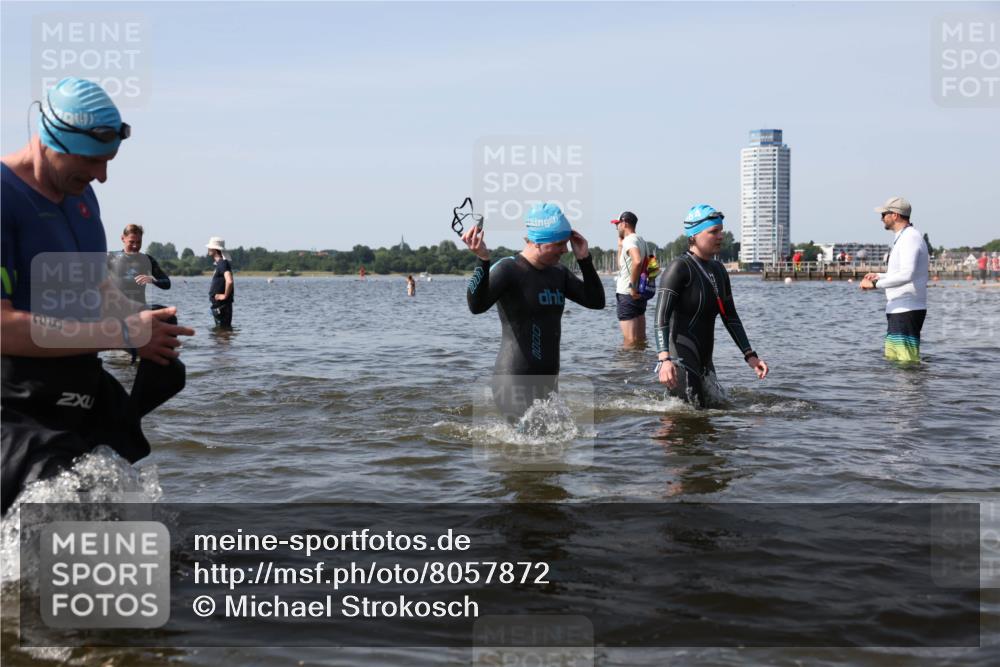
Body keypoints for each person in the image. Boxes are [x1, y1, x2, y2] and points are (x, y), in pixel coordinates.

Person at [1, 77, 194, 514]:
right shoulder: (3, 197)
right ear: (52, 139)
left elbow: (97, 285)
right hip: (14, 406)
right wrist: (123, 332)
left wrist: (148, 330)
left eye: (109, 162)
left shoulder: (81, 197)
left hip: (77, 391)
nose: (102, 177)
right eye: (93, 161)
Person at [462, 203, 604, 421]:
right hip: (514, 379)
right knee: (531, 445)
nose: (565, 250)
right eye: (559, 244)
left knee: (554, 450)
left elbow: (596, 301)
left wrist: (585, 259)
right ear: (538, 241)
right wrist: (482, 261)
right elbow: (476, 306)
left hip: (548, 381)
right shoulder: (509, 269)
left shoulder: (559, 273)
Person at [653, 204, 769, 407]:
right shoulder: (678, 268)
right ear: (694, 235)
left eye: (721, 230)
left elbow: (730, 316)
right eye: (713, 231)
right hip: (680, 357)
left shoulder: (718, 270)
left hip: (706, 359)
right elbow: (661, 317)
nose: (720, 236)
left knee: (713, 413)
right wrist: (664, 360)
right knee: (687, 415)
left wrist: (750, 355)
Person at [861, 196, 929, 362]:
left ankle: (911, 389)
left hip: (906, 309)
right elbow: (901, 271)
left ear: (895, 215)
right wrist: (880, 275)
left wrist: (876, 284)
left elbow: (907, 274)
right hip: (898, 308)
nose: (881, 218)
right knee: (894, 361)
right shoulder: (903, 237)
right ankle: (900, 389)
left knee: (907, 364)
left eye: (884, 214)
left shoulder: (910, 237)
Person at [107, 223, 171, 308]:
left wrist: (153, 280)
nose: (135, 246)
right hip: (117, 308)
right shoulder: (111, 258)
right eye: (131, 242)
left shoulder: (147, 260)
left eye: (138, 242)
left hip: (139, 308)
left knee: (170, 316)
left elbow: (167, 283)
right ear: (123, 238)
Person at [612, 211, 650, 347]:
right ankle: (639, 367)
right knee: (640, 340)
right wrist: (620, 246)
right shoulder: (641, 241)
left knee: (630, 342)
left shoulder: (630, 240)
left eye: (617, 225)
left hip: (628, 294)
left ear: (625, 223)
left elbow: (637, 261)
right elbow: (621, 266)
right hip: (639, 295)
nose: (616, 228)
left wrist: (632, 287)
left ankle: (628, 368)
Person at [207, 237, 234, 328]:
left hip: (223, 306)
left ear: (215, 249)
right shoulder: (220, 263)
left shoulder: (222, 263)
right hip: (220, 306)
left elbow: (229, 281)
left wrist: (225, 295)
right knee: (221, 335)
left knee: (222, 334)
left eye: (210, 247)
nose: (208, 249)